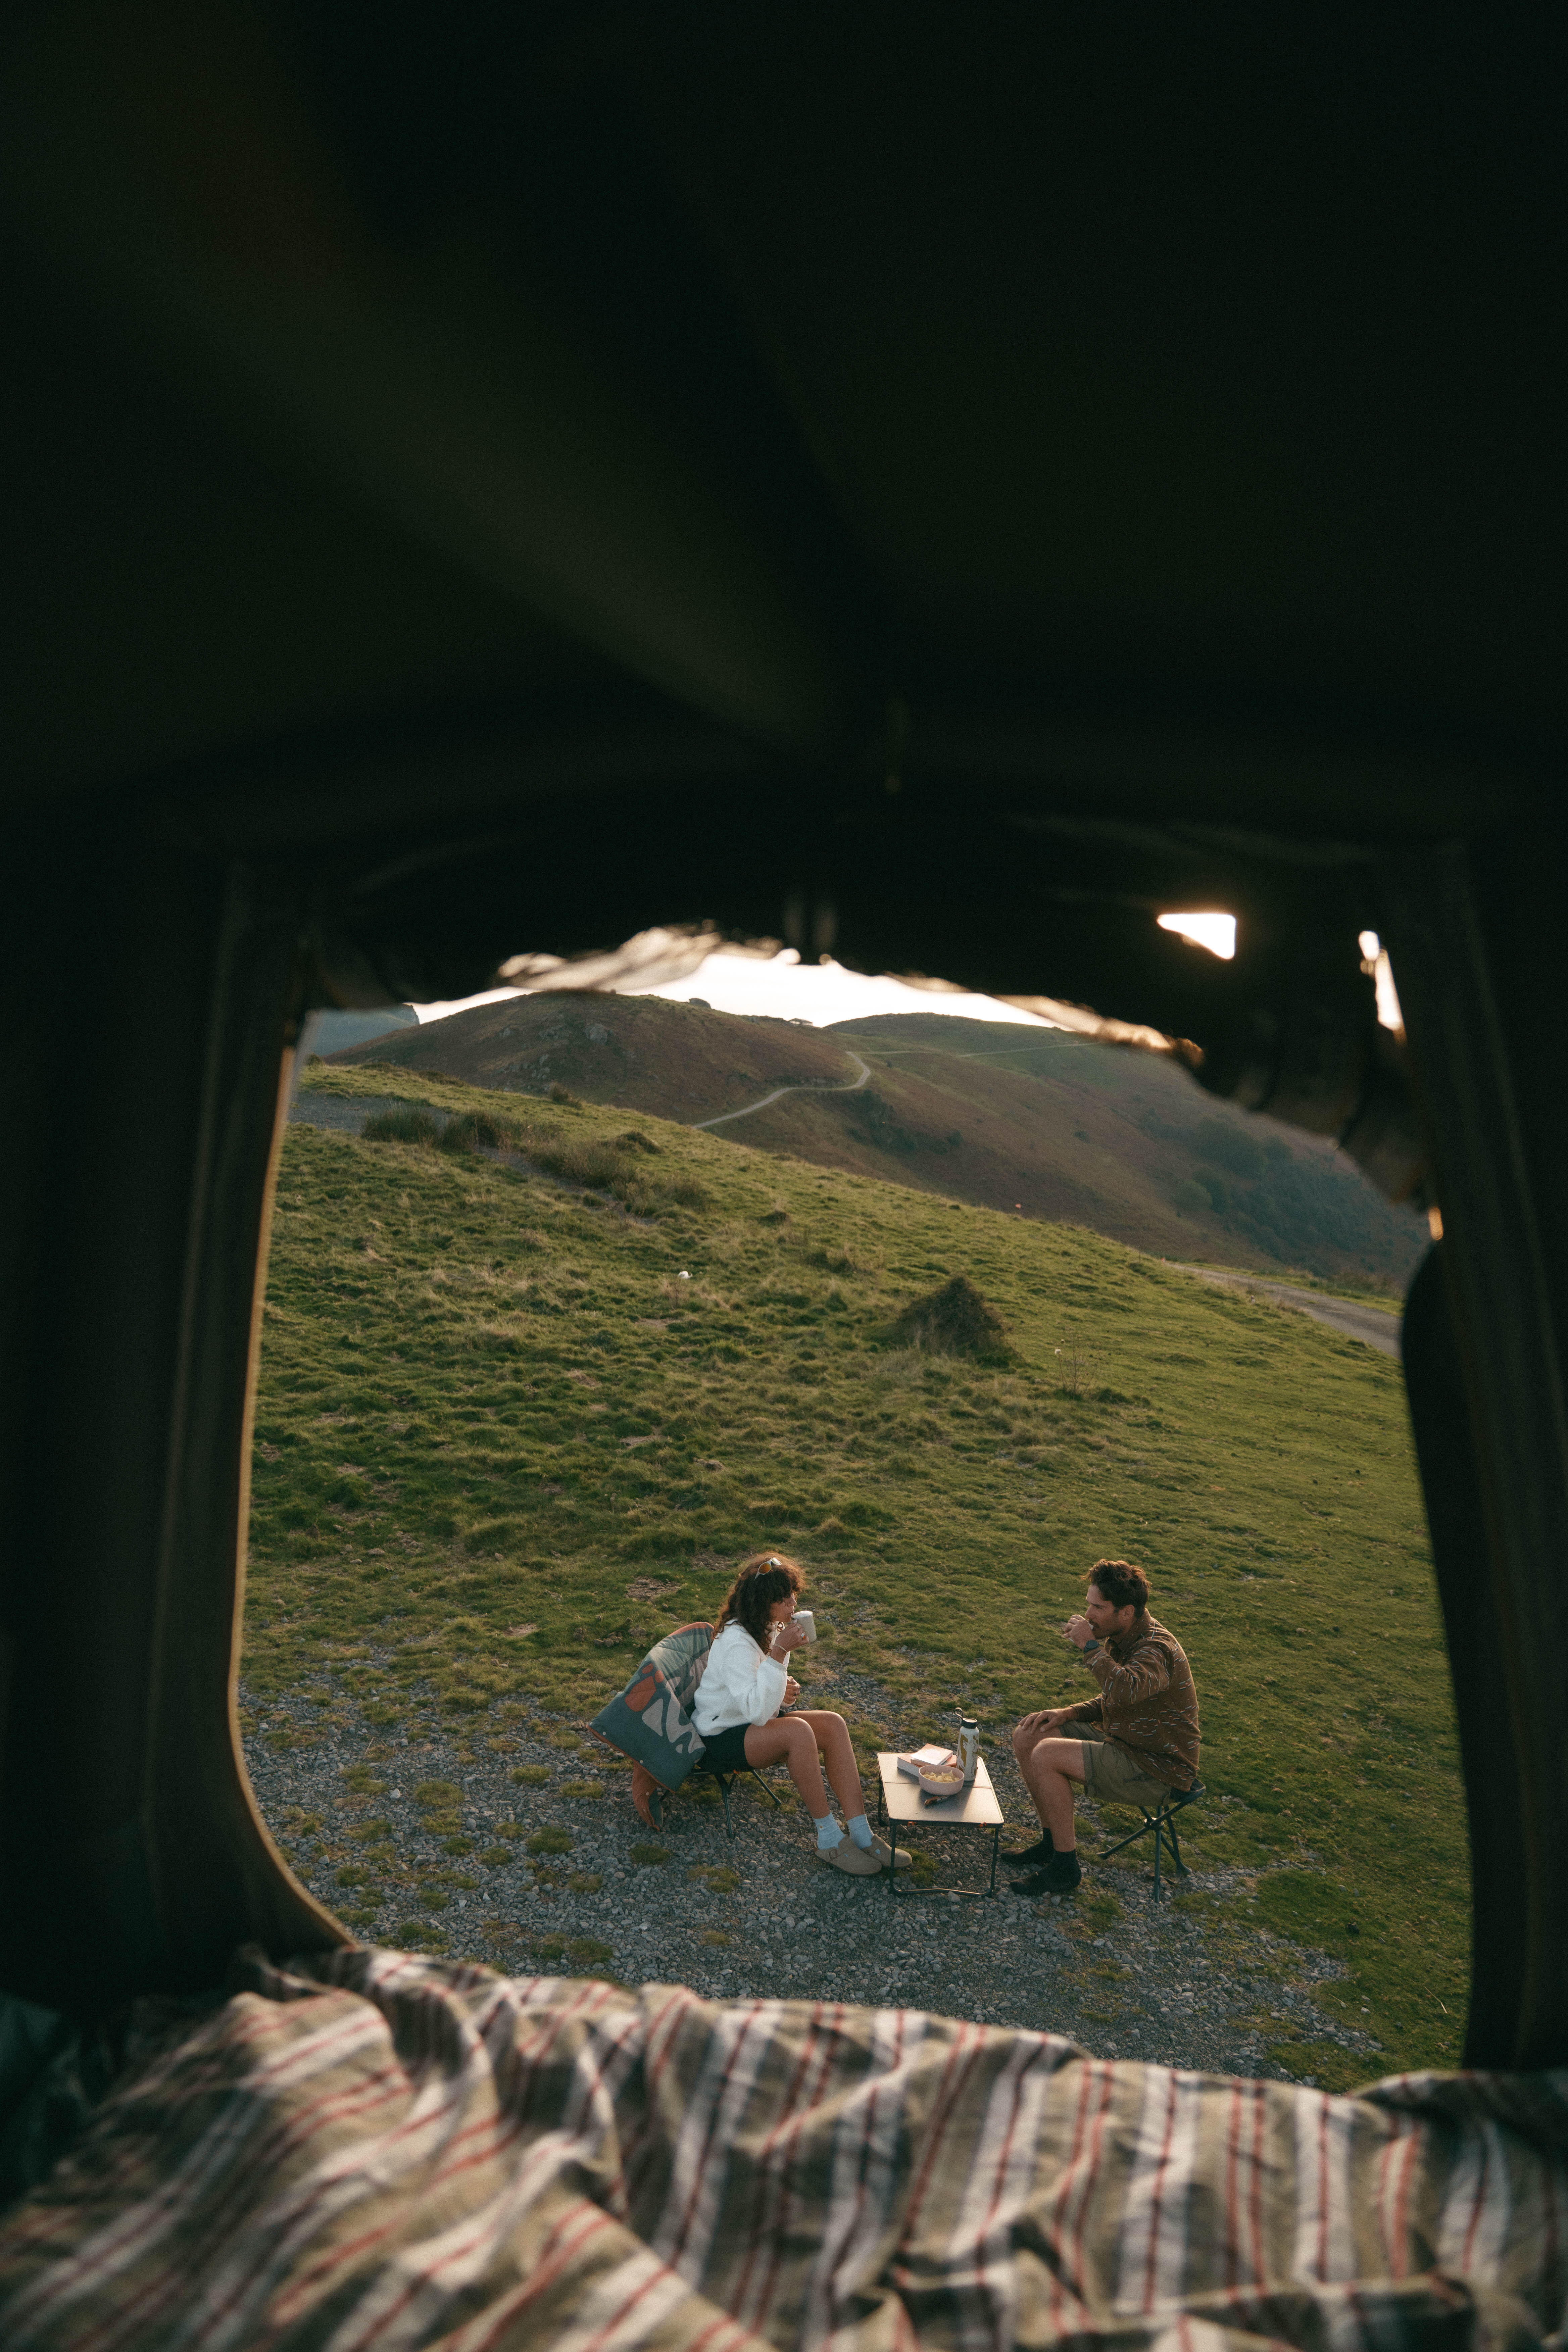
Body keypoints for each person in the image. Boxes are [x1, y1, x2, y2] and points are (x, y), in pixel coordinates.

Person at [692, 1552, 910, 1876]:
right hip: (720, 1738)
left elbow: (766, 1697)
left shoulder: (767, 1626)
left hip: (748, 1724)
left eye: (794, 1593)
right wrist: (780, 1654)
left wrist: (782, 1683)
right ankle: (829, 1839)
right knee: (798, 1732)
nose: (793, 1602)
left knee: (833, 1724)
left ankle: (862, 1834)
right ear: (763, 1601)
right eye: (784, 1597)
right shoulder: (737, 1641)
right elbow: (758, 1712)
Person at [1008, 1558, 1200, 1896]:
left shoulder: (1155, 1649)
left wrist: (1089, 1647)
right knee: (1029, 1734)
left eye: (1098, 1607)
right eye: (1089, 1604)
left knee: (1047, 1755)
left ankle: (1065, 1869)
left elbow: (1125, 1689)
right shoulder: (1125, 1636)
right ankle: (1051, 1844)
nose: (1089, 1614)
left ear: (1125, 1612)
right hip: (1124, 1744)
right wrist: (1068, 1713)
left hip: (1155, 1768)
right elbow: (1118, 1699)